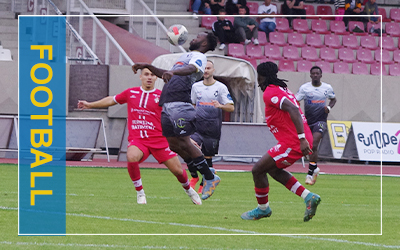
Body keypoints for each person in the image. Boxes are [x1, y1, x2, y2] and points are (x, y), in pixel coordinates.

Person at [77, 68, 202, 205]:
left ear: (156, 78)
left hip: (159, 140)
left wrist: (186, 138)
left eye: (152, 75)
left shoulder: (162, 96)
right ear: (141, 76)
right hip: (139, 140)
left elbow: (173, 118)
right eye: (146, 74)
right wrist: (90, 105)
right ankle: (140, 193)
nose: (149, 77)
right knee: (131, 157)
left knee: (178, 171)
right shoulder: (131, 93)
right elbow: (111, 100)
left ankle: (189, 190)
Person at [132, 32, 220, 201]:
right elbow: (167, 73)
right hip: (168, 102)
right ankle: (198, 172)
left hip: (180, 101)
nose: (194, 37)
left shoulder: (199, 56)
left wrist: (174, 73)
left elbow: (192, 69)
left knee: (184, 142)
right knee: (173, 144)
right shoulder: (186, 56)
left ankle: (209, 176)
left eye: (199, 36)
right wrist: (147, 66)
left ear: (204, 44)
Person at [241, 62, 321, 222]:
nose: (258, 82)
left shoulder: (270, 92)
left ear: (262, 77)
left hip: (293, 141)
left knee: (258, 170)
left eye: (259, 78)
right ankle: (308, 197)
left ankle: (263, 209)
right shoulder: (281, 89)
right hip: (295, 139)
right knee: (273, 170)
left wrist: (301, 139)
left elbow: (293, 110)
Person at [189, 60, 235, 193]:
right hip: (197, 126)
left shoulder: (220, 87)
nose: (206, 71)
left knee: (207, 158)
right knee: (189, 149)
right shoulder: (196, 87)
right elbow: (192, 105)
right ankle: (194, 176)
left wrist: (220, 106)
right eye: (204, 68)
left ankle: (205, 183)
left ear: (213, 70)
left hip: (212, 128)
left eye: (209, 68)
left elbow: (231, 107)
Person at [296, 66, 336, 185]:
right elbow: (295, 100)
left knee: (314, 143)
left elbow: (333, 99)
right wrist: (297, 112)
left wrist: (329, 107)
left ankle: (309, 174)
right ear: (310, 75)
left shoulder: (327, 88)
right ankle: (315, 168)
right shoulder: (305, 88)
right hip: (308, 121)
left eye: (317, 73)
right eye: (313, 73)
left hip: (321, 120)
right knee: (309, 147)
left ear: (321, 75)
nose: (315, 75)